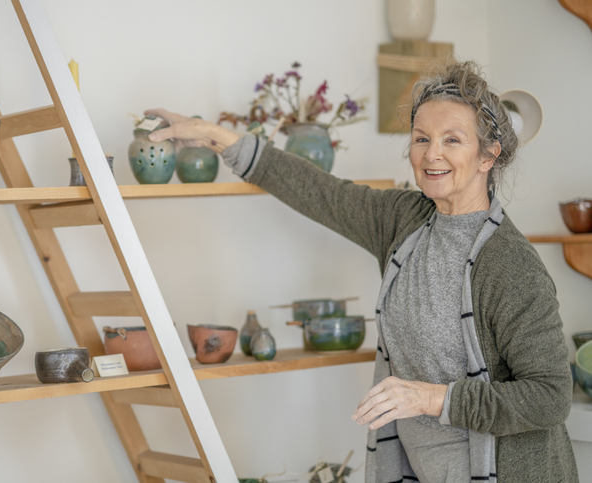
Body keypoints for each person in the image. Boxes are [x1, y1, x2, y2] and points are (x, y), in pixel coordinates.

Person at [146, 60, 578, 483]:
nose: (432, 154)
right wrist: (217, 136)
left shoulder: (511, 266)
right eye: (421, 137)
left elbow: (550, 396)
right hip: (421, 466)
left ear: (488, 156)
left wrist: (430, 397)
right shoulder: (404, 221)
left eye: (452, 140)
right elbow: (321, 193)